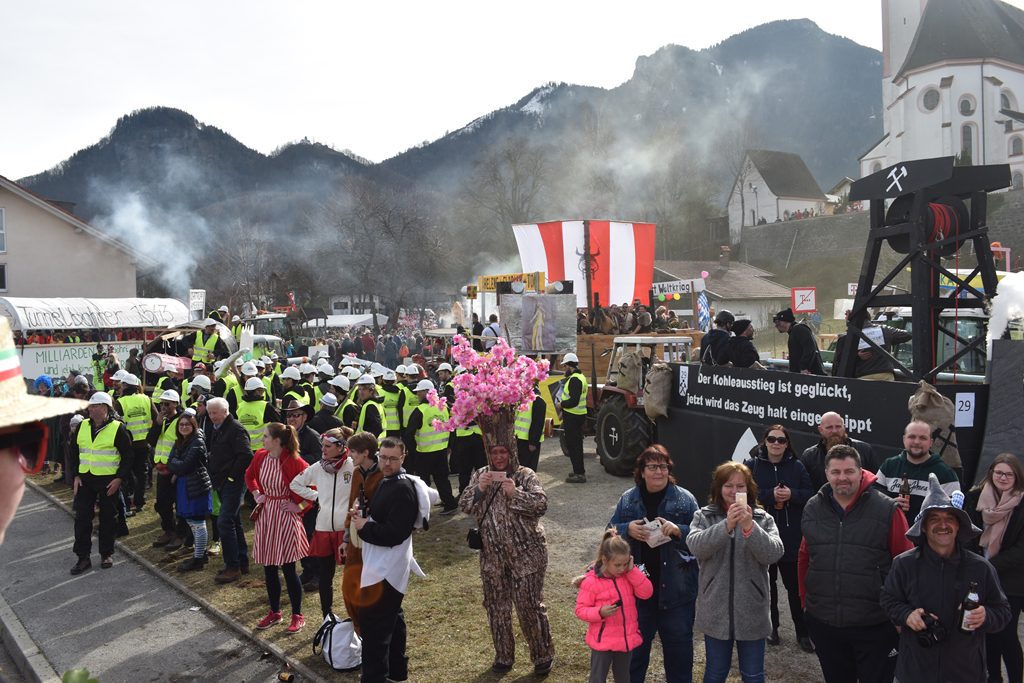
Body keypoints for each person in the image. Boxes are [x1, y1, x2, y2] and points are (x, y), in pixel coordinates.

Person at [881, 473, 1012, 683]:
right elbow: (888, 601)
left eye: (949, 519)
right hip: (914, 672)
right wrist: (907, 615)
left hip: (966, 673)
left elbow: (1004, 612)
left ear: (959, 525)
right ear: (923, 526)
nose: (943, 525)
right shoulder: (904, 564)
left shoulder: (981, 568)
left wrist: (985, 615)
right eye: (934, 519)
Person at [798, 444, 913, 683]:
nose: (842, 478)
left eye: (849, 471)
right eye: (836, 472)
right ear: (826, 474)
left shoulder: (887, 509)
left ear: (861, 472)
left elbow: (906, 564)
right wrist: (806, 603)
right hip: (825, 623)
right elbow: (805, 558)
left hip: (875, 624)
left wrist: (901, 615)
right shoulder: (813, 507)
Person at [459, 443, 554, 676]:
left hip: (527, 555)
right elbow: (464, 505)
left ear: (511, 453)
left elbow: (541, 504)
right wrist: (479, 489)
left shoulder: (525, 474)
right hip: (492, 557)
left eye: (504, 452)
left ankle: (542, 655)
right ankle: (503, 655)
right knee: (496, 608)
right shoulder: (481, 474)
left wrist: (516, 493)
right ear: (488, 454)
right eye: (495, 453)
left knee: (528, 606)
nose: (499, 457)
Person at [608, 444, 699, 683]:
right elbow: (608, 533)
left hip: (677, 594)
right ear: (642, 470)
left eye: (663, 466)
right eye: (653, 466)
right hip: (637, 593)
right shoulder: (628, 500)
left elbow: (703, 538)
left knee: (679, 659)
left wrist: (680, 530)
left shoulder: (685, 500)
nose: (659, 472)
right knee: (634, 659)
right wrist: (626, 529)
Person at [687, 462, 784, 683]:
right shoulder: (704, 516)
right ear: (719, 488)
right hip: (715, 611)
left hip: (752, 611)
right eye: (728, 485)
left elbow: (773, 554)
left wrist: (750, 528)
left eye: (740, 486)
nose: (734, 491)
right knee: (715, 673)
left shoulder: (762, 518)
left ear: (748, 489)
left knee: (753, 675)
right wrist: (726, 526)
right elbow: (696, 547)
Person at [351, 437, 423, 683]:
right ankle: (396, 673)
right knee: (392, 620)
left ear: (403, 458)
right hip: (382, 567)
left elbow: (395, 533)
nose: (387, 463)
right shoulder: (388, 481)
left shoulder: (402, 488)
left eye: (393, 458)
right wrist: (364, 515)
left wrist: (363, 527)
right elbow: (383, 517)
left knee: (374, 630)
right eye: (383, 457)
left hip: (386, 570)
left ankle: (375, 678)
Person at [744, 425, 814, 652]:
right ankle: (771, 628)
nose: (776, 443)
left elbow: (811, 495)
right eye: (772, 439)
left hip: (791, 538)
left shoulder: (797, 466)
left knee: (795, 589)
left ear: (787, 444)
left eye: (781, 440)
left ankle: (802, 633)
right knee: (767, 586)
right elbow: (743, 496)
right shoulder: (751, 466)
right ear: (764, 441)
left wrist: (792, 494)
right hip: (762, 537)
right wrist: (768, 495)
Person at [245, 422, 312, 634]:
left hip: (285, 517)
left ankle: (297, 615)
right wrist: (256, 493)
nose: (262, 440)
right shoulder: (261, 456)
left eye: (265, 436)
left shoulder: (296, 462)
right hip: (267, 515)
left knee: (289, 569)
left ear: (277, 441)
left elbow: (313, 490)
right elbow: (249, 476)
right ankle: (275, 612)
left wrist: (298, 505)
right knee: (269, 568)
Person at [967, 453, 1024, 683]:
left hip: (1012, 580)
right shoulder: (975, 498)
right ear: (991, 473)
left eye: (1008, 474)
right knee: (987, 632)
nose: (1003, 477)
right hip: (980, 578)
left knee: (1008, 635)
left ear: (1016, 477)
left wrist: (988, 565)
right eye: (998, 472)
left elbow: (1021, 549)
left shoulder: (1021, 503)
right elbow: (968, 534)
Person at [290, 427, 355, 618]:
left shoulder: (352, 465)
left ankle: (354, 616)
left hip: (346, 529)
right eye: (322, 446)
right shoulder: (318, 467)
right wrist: (317, 497)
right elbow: (295, 484)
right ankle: (327, 616)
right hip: (324, 529)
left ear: (341, 447)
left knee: (351, 577)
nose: (323, 450)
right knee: (325, 578)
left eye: (328, 446)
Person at [574, 530, 654, 683]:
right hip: (603, 641)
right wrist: (599, 612)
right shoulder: (591, 582)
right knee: (597, 678)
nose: (621, 569)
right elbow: (580, 610)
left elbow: (646, 593)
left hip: (625, 639)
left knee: (624, 678)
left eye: (625, 564)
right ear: (604, 560)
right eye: (617, 565)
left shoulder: (629, 575)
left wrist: (632, 571)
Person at [68, 391, 134, 574]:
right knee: (82, 518)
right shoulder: (81, 426)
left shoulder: (117, 428)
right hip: (85, 479)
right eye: (90, 406)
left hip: (108, 480)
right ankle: (83, 557)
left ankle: (106, 553)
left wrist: (119, 479)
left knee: (108, 518)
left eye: (94, 406)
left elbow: (128, 457)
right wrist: (76, 475)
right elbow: (73, 452)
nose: (90, 409)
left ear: (105, 408)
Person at [205, 397, 253, 583]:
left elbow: (245, 456)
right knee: (233, 521)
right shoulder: (218, 429)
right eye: (210, 413)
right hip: (223, 482)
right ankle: (241, 561)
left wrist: (231, 477)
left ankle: (233, 567)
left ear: (225, 412)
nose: (212, 416)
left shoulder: (236, 429)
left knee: (224, 522)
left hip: (232, 483)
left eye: (215, 413)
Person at [875, 420, 960, 524]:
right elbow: (873, 497)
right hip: (891, 533)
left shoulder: (946, 474)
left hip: (926, 537)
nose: (916, 442)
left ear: (931, 443)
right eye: (912, 437)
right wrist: (890, 503)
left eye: (923, 438)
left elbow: (952, 515)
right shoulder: (889, 466)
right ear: (904, 439)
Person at [341, 431, 383, 634]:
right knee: (350, 580)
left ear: (366, 453)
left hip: (376, 537)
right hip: (356, 536)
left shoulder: (383, 473)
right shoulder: (357, 472)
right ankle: (358, 624)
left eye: (354, 452)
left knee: (372, 583)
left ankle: (371, 626)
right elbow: (352, 503)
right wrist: (346, 538)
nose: (350, 455)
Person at [166, 411, 213, 571]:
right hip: (185, 486)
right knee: (192, 522)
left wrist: (176, 465)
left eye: (187, 424)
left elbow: (185, 465)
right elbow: (169, 462)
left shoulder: (197, 442)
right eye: (181, 424)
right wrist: (177, 464)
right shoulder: (180, 441)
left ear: (193, 426)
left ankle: (199, 559)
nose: (184, 427)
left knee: (198, 523)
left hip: (196, 486)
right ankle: (201, 553)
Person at [404, 379, 458, 515]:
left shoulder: (420, 410)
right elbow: (452, 428)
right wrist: (450, 446)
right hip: (441, 451)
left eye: (419, 392)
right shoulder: (444, 407)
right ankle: (450, 503)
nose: (417, 395)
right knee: (442, 478)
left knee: (423, 482)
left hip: (424, 452)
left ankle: (423, 508)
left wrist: (412, 450)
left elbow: (409, 433)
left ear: (426, 393)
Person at [799, 412, 878, 491]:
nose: (834, 431)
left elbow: (874, 484)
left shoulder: (865, 450)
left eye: (838, 426)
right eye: (829, 427)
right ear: (820, 430)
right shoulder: (809, 456)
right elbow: (805, 489)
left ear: (844, 427)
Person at [832, 320, 911, 381]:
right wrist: (888, 339)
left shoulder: (849, 336)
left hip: (863, 376)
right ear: (869, 319)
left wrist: (856, 355)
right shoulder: (884, 330)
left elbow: (840, 360)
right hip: (885, 374)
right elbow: (907, 335)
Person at [559, 352, 589, 484]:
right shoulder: (580, 377)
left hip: (573, 416)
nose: (564, 369)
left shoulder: (574, 379)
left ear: (569, 366)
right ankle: (578, 470)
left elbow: (573, 401)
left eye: (565, 366)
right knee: (576, 445)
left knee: (574, 446)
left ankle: (579, 473)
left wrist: (561, 405)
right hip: (578, 415)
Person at [772, 308, 824, 375]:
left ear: (786, 321)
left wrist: (804, 367)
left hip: (809, 375)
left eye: (778, 322)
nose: (776, 325)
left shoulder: (799, 329)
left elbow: (810, 349)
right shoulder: (794, 332)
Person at [515, 382, 547, 472]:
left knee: (521, 468)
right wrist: (533, 442)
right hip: (528, 441)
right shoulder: (538, 401)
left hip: (520, 438)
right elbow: (538, 423)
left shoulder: (523, 400)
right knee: (529, 469)